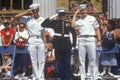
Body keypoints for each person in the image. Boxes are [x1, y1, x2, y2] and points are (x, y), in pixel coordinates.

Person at [41, 8, 77, 80]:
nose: (62, 17)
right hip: (58, 46)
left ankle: (67, 78)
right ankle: (62, 77)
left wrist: (74, 44)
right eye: (60, 15)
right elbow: (43, 24)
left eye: (63, 15)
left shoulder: (68, 24)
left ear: (65, 15)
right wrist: (52, 17)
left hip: (67, 46)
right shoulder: (55, 23)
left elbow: (74, 34)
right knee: (60, 63)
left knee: (67, 63)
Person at [13, 3, 45, 80]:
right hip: (31, 39)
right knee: (33, 59)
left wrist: (46, 42)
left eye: (36, 10)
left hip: (40, 39)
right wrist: (26, 12)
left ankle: (41, 76)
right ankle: (35, 76)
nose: (35, 12)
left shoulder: (43, 19)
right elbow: (15, 17)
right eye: (33, 11)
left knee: (41, 60)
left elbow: (45, 32)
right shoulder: (28, 19)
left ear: (38, 10)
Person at [72, 4, 101, 80]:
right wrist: (75, 14)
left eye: (84, 10)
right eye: (81, 10)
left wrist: (99, 40)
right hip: (81, 40)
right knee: (81, 61)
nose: (83, 11)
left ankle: (93, 77)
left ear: (87, 10)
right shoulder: (78, 20)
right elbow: (73, 25)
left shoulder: (92, 18)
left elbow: (97, 30)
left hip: (91, 39)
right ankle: (82, 77)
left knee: (92, 59)